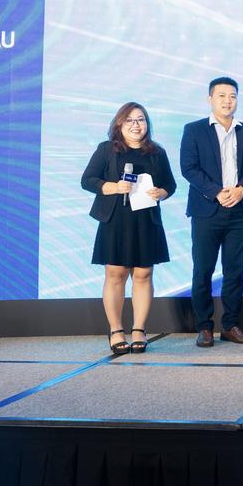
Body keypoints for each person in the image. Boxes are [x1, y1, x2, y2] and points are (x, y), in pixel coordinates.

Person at [82, 102, 176, 355]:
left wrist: (161, 192)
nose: (136, 125)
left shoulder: (157, 152)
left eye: (141, 120)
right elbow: (87, 180)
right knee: (116, 274)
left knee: (144, 275)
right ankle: (115, 330)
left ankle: (139, 330)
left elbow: (170, 185)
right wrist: (113, 187)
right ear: (119, 124)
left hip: (146, 221)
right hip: (115, 220)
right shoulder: (107, 150)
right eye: (130, 120)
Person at [180, 77, 243, 348]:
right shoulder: (194, 130)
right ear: (210, 99)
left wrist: (241, 189)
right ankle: (204, 327)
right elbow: (188, 168)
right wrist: (216, 191)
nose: (228, 101)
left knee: (234, 271)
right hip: (206, 210)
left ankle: (230, 325)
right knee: (203, 269)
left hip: (240, 210)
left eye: (233, 96)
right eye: (222, 95)